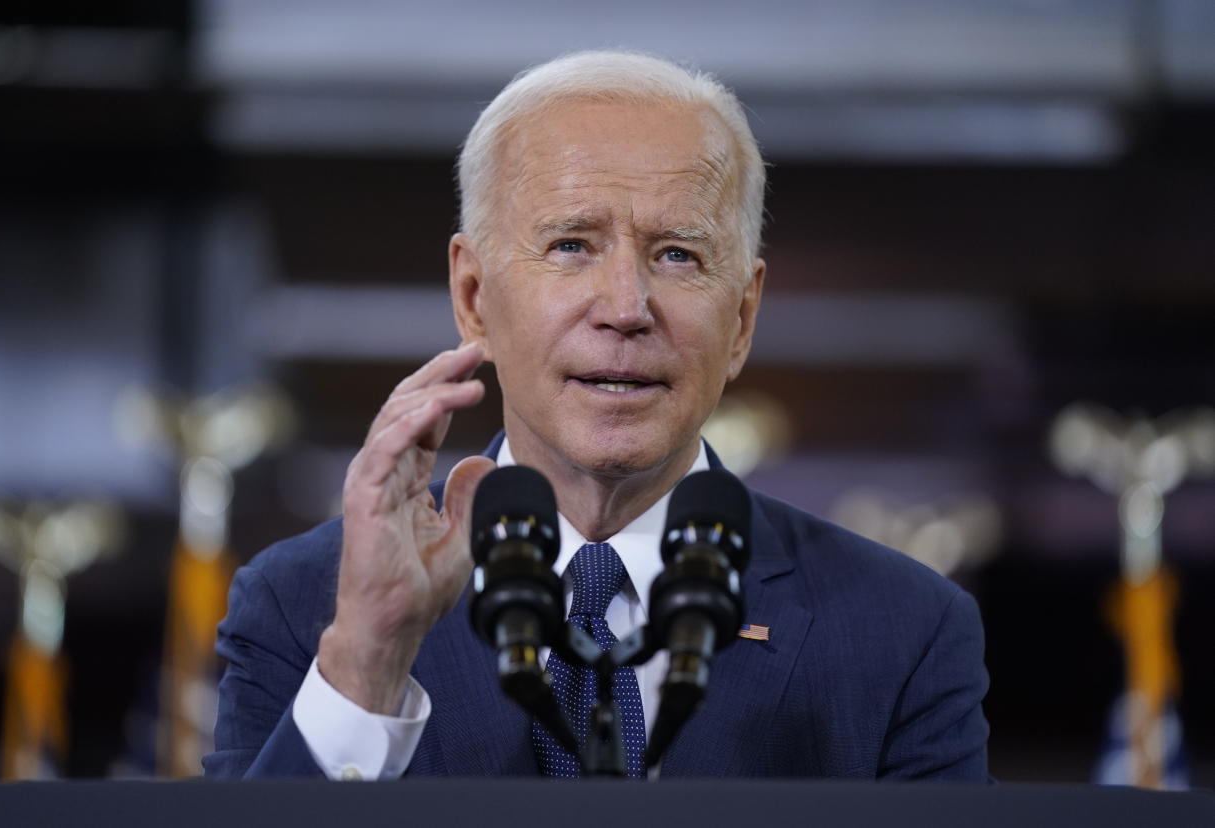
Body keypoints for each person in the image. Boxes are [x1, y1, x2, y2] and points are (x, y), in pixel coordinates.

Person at [203, 50, 990, 781]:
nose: (625, 309)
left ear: (743, 318)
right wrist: (369, 662)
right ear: (474, 299)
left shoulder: (902, 629)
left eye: (678, 254)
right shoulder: (304, 605)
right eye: (572, 245)